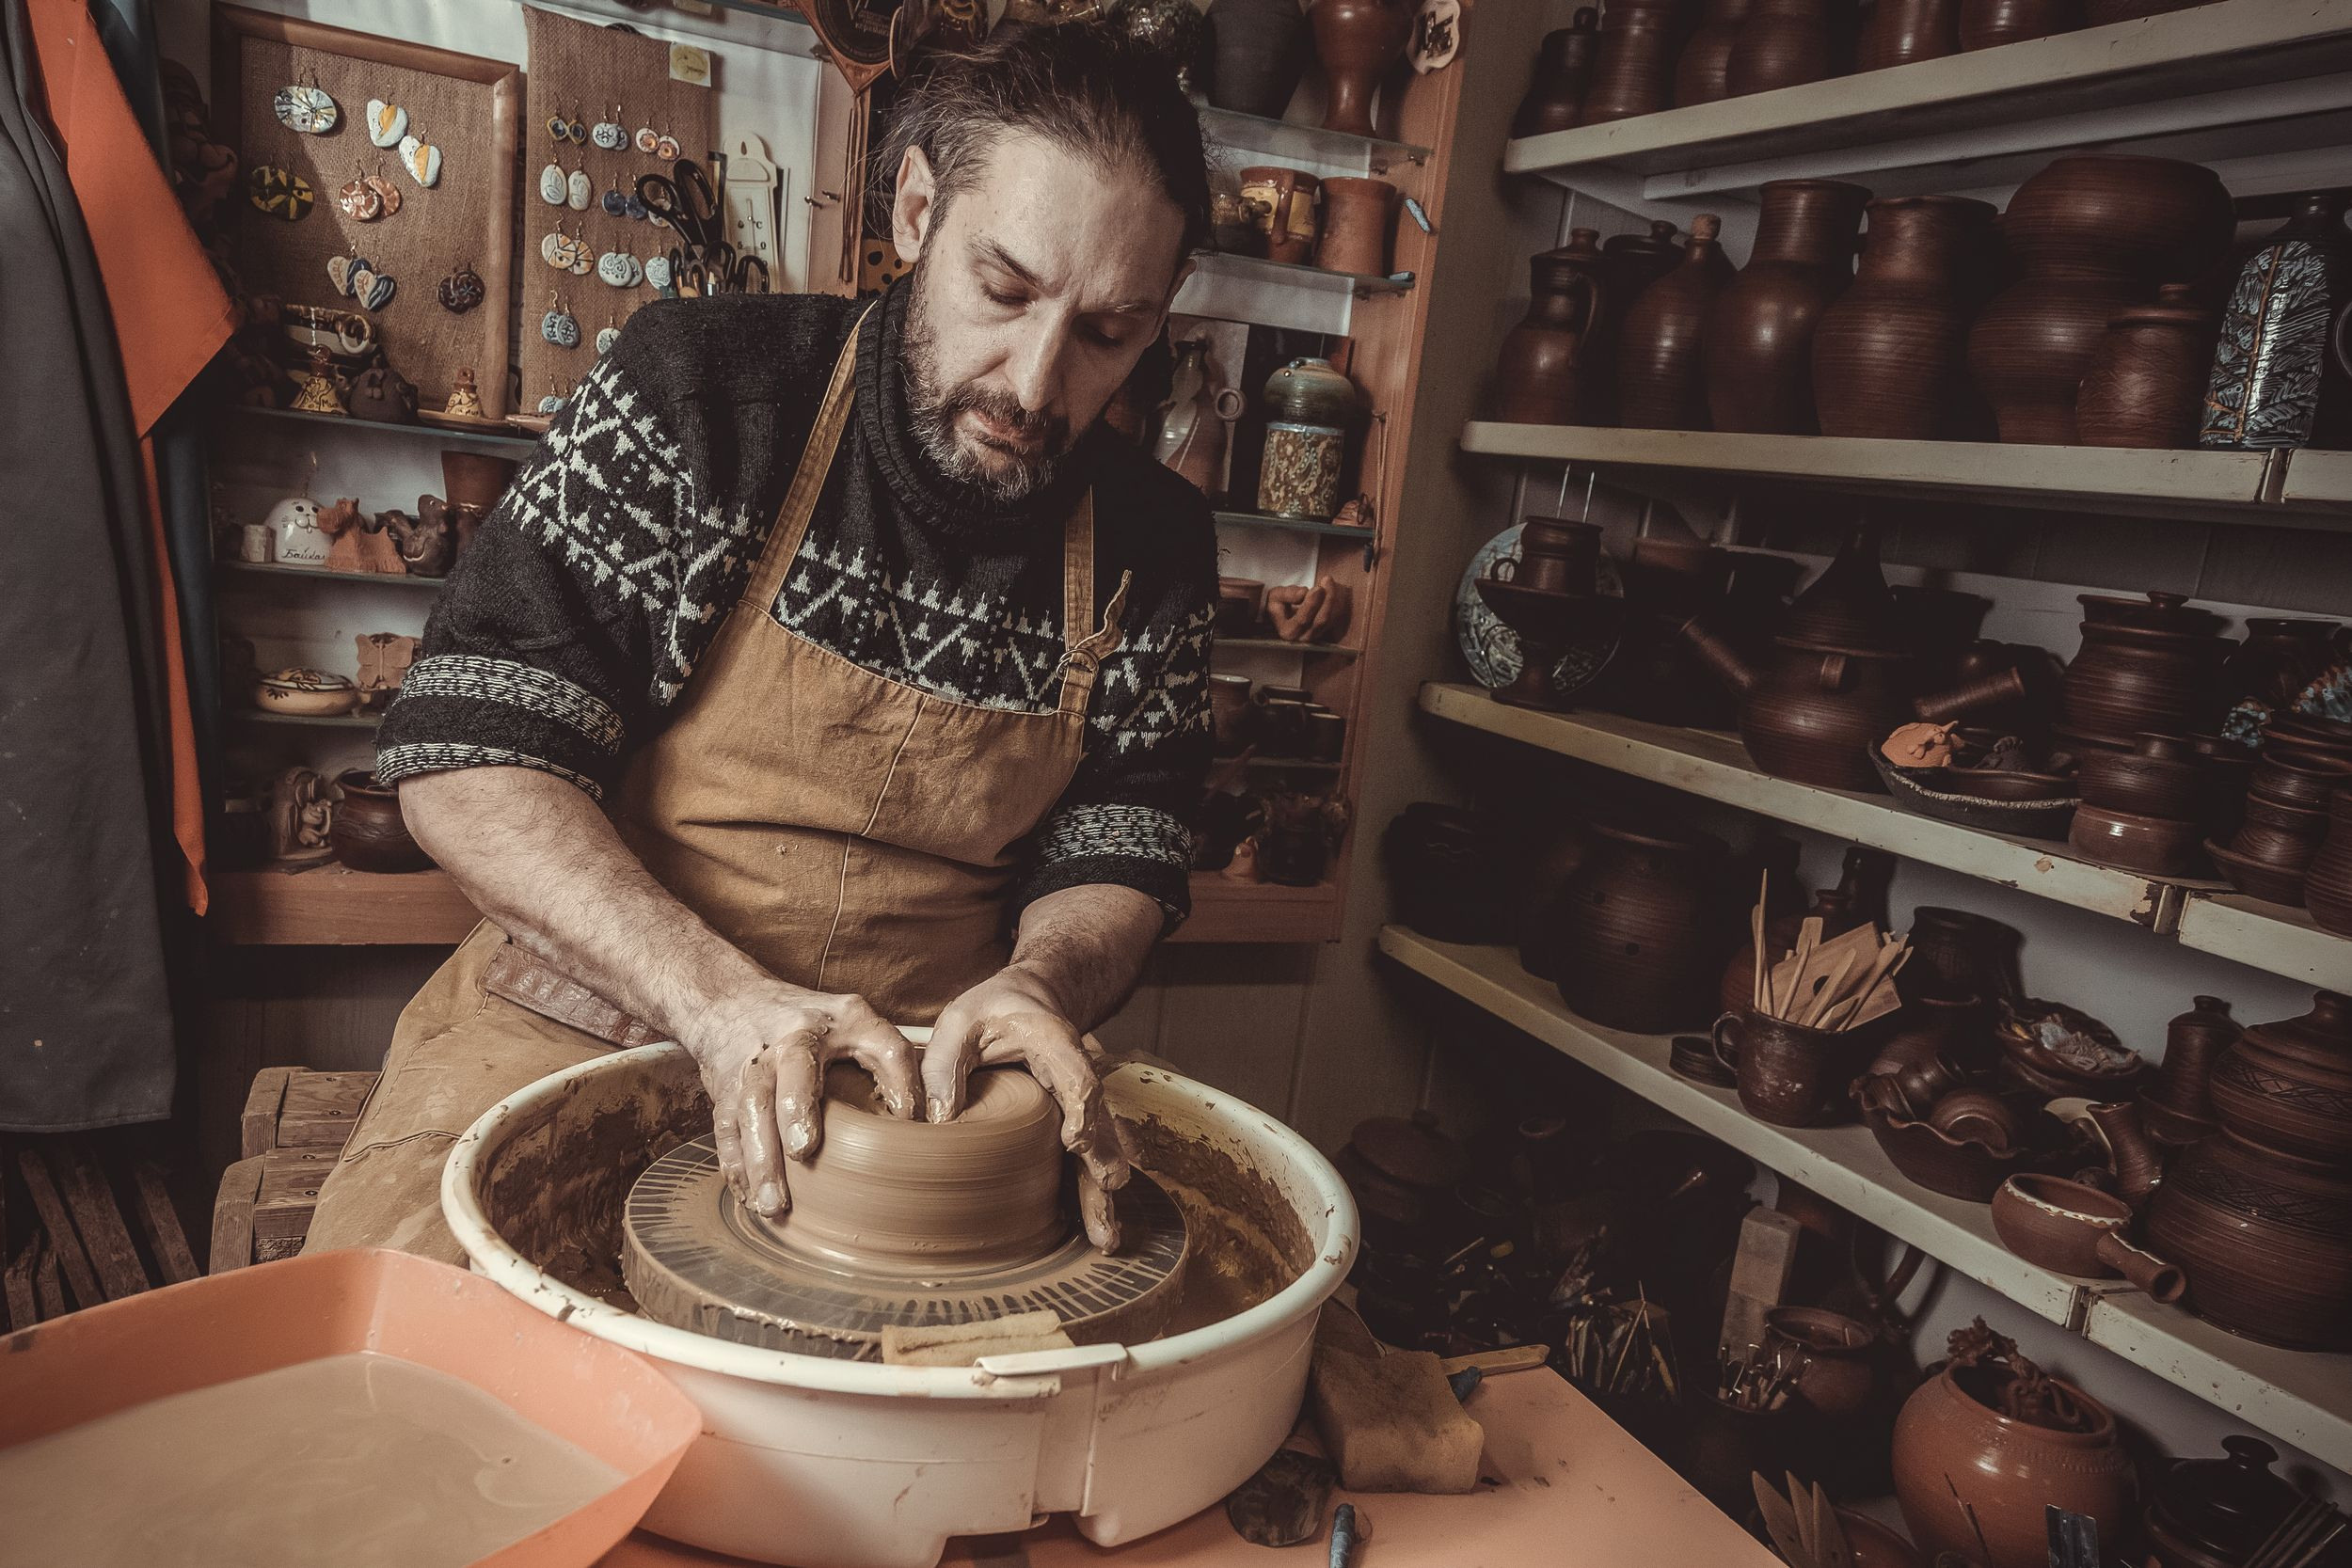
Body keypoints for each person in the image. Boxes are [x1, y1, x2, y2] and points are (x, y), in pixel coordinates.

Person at [303, 24, 1216, 1264]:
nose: (1037, 383)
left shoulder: (1154, 541)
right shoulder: (702, 396)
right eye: (1003, 291)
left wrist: (1043, 983)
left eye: (1109, 331)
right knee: (411, 1381)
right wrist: (715, 999)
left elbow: (1130, 836)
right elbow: (467, 755)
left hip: (920, 1082)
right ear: (914, 211)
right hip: (597, 1015)